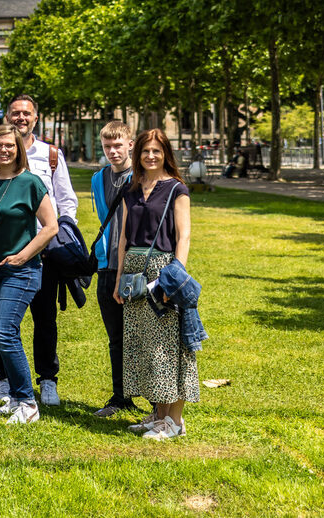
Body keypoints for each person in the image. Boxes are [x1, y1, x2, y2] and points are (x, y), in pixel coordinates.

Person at [0, 94, 77, 407]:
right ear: (7, 117)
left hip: (40, 254)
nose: (20, 117)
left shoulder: (49, 156)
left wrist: (54, 243)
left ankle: (46, 381)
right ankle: (4, 380)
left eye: (26, 113)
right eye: (15, 113)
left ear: (35, 117)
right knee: (1, 322)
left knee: (44, 320)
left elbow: (65, 203)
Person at [0, 125, 59, 425]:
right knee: (6, 334)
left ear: (18, 149)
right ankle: (14, 397)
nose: (3, 150)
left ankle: (27, 401)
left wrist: (24, 255)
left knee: (3, 331)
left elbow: (51, 226)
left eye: (9, 145)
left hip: (22, 270)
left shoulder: (31, 182)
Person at [115, 128, 196, 440]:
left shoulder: (177, 189)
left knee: (168, 348)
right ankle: (158, 415)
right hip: (134, 276)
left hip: (163, 271)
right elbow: (122, 238)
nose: (150, 156)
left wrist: (174, 277)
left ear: (166, 155)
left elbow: (184, 235)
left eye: (157, 151)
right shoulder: (131, 189)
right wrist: (119, 279)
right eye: (146, 151)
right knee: (145, 348)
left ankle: (174, 422)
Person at [89, 120, 137, 418]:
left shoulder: (142, 176)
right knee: (116, 337)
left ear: (130, 144)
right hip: (107, 266)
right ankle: (120, 396)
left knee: (141, 334)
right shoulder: (98, 179)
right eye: (107, 146)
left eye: (118, 145)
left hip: (134, 266)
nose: (113, 151)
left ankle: (156, 400)